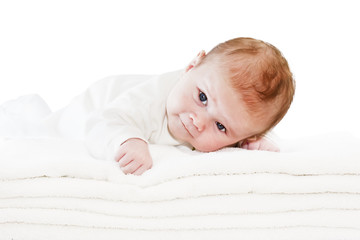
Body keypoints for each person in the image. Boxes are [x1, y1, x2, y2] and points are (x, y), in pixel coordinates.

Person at [82, 37, 295, 176]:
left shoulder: (235, 117)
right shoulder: (149, 100)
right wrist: (129, 140)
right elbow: (103, 121)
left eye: (220, 126)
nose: (198, 121)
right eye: (202, 97)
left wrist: (257, 144)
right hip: (91, 105)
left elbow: (253, 129)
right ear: (192, 67)